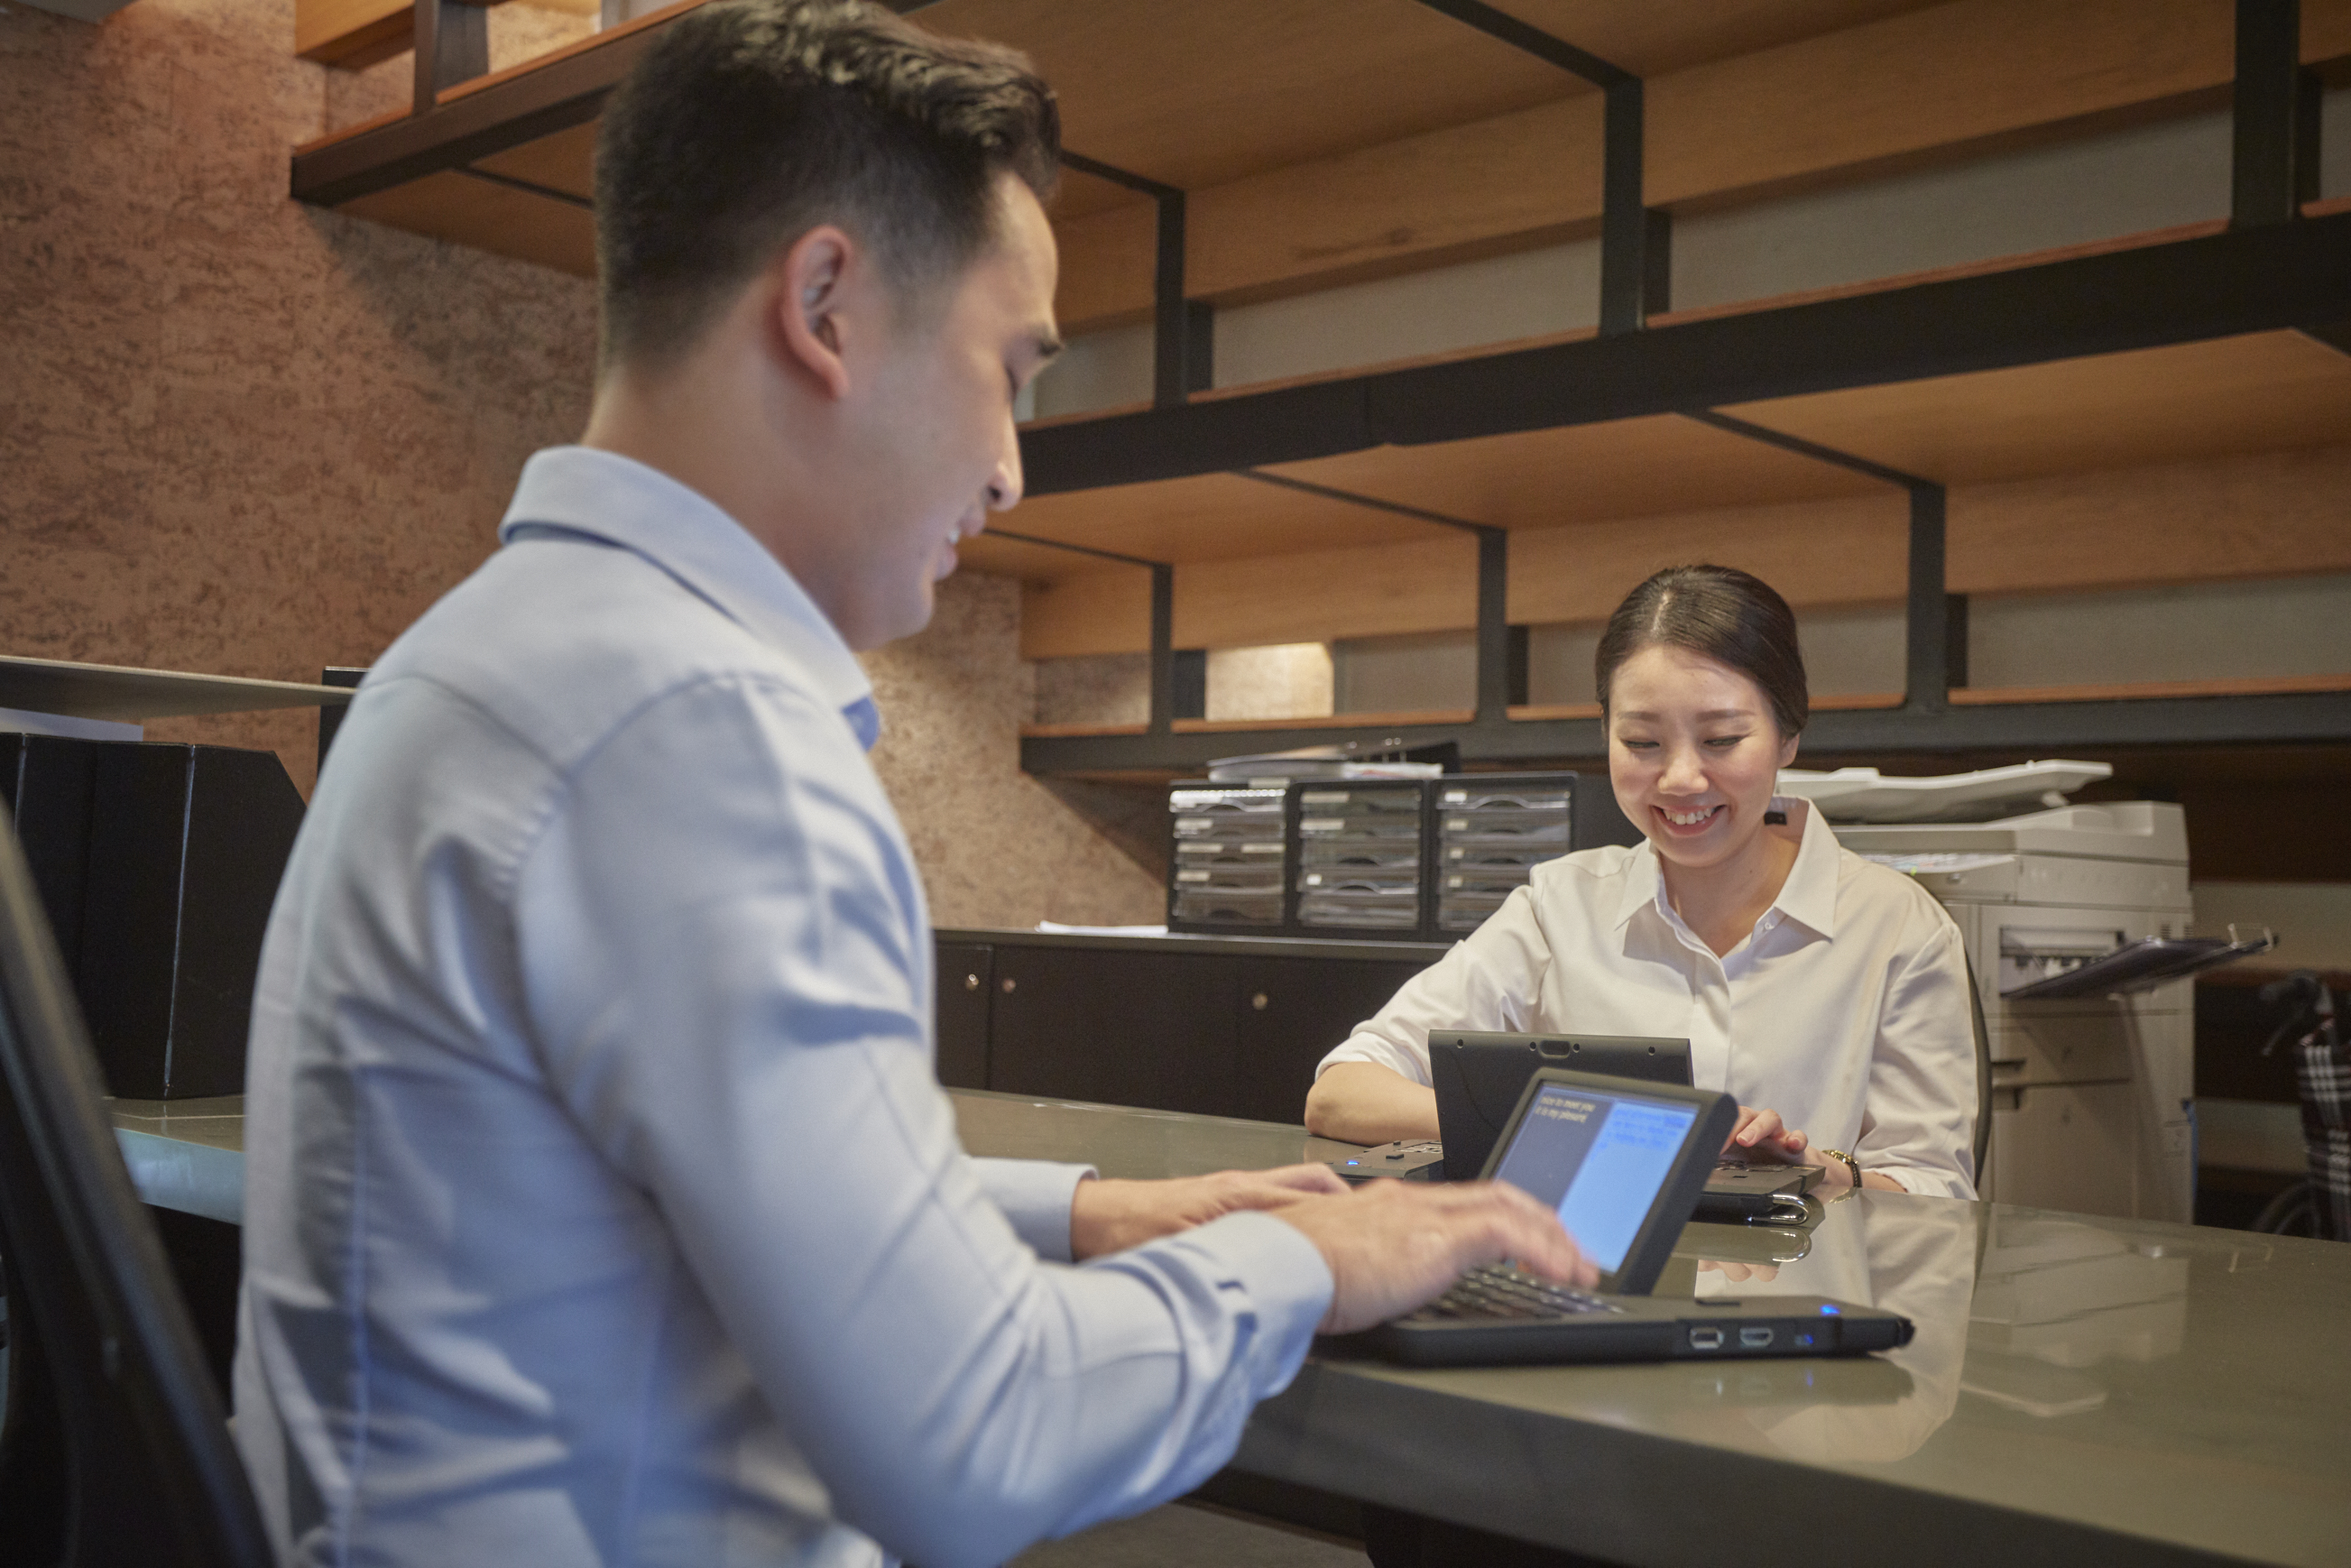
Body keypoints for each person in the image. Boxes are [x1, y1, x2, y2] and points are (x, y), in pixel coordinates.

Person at [230, 5, 1590, 1566]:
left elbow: (664, 1185)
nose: (1012, 468)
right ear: (824, 302)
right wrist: (1315, 1263)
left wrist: (1091, 1210)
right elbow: (976, 1437)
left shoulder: (475, 659)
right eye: (1008, 369)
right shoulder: (701, 732)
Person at [1304, 564, 1978, 1199]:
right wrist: (1578, 1121)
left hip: (1799, 1296)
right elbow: (1342, 1092)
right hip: (1590, 1297)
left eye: (1720, 740)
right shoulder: (1558, 906)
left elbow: (1934, 1190)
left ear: (1788, 735)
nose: (1681, 778)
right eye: (1642, 742)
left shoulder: (1898, 929)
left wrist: (1815, 1171)